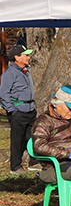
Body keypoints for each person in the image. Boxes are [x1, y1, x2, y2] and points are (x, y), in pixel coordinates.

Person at [1, 43, 37, 173]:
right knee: (17, 140)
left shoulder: (27, 70)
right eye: (25, 55)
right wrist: (12, 110)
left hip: (30, 110)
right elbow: (4, 93)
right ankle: (15, 167)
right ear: (17, 57)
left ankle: (34, 163)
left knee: (33, 137)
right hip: (18, 112)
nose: (28, 57)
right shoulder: (10, 73)